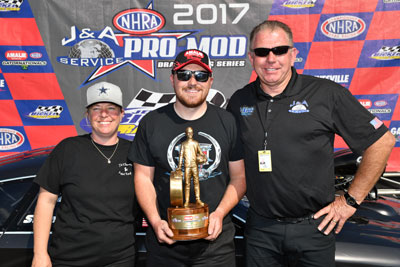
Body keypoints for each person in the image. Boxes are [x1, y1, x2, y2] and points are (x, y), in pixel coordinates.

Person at [226, 20, 396, 267]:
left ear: (293, 54)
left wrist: (350, 201)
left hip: (315, 229)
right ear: (252, 57)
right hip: (260, 231)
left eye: (279, 50)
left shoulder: (325, 94)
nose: (271, 59)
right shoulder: (240, 100)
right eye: (262, 52)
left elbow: (382, 142)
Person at [129, 49, 246, 266]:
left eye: (200, 75)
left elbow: (239, 178)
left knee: (196, 189)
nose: (192, 82)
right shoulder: (151, 122)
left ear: (210, 81)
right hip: (165, 245)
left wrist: (219, 214)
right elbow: (143, 178)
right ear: (172, 78)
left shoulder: (228, 122)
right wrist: (155, 221)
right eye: (184, 75)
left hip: (216, 248)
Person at [32, 81, 136, 267]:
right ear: (87, 115)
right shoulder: (68, 149)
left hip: (120, 259)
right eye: (96, 108)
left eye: (111, 108)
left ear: (122, 114)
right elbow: (46, 200)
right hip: (70, 258)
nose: (104, 114)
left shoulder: (135, 152)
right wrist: (40, 254)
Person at [178, 126, 207, 207]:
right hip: (187, 166)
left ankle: (198, 199)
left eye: (191, 132)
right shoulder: (183, 144)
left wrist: (204, 158)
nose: (190, 134)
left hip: (194, 166)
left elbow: (201, 153)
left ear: (193, 133)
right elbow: (181, 156)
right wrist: (179, 166)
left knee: (196, 183)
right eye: (188, 132)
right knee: (187, 183)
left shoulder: (196, 143)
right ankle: (186, 201)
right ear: (186, 133)